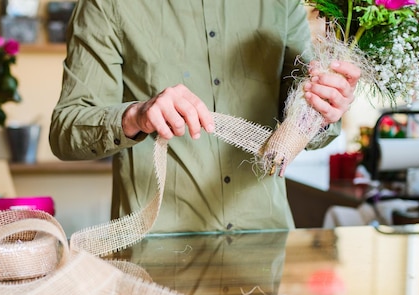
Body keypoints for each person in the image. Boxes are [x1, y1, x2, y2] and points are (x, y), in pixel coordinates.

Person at [50, 1, 361, 233]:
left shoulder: (281, 3)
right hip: (156, 252)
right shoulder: (107, 5)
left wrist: (324, 106)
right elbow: (66, 128)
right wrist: (137, 116)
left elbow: (304, 117)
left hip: (265, 243)